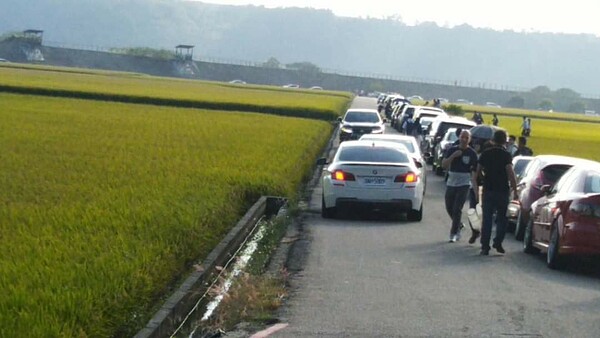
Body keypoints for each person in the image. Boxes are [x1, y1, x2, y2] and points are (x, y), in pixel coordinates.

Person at [475, 129, 519, 255]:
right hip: (502, 191)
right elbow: (510, 173)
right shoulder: (506, 155)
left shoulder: (486, 153)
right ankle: (498, 242)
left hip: (488, 189)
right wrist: (515, 189)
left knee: (487, 219)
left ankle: (485, 246)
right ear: (505, 141)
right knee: (502, 219)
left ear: (493, 140)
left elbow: (478, 170)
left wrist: (483, 179)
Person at [441, 130, 479, 243]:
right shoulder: (452, 149)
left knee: (457, 208)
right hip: (452, 181)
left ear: (469, 139)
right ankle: (458, 225)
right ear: (459, 137)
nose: (464, 139)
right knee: (449, 206)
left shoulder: (472, 153)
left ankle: (454, 233)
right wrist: (453, 156)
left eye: (466, 138)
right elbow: (444, 164)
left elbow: (474, 171)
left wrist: (475, 187)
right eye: (462, 137)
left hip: (464, 183)